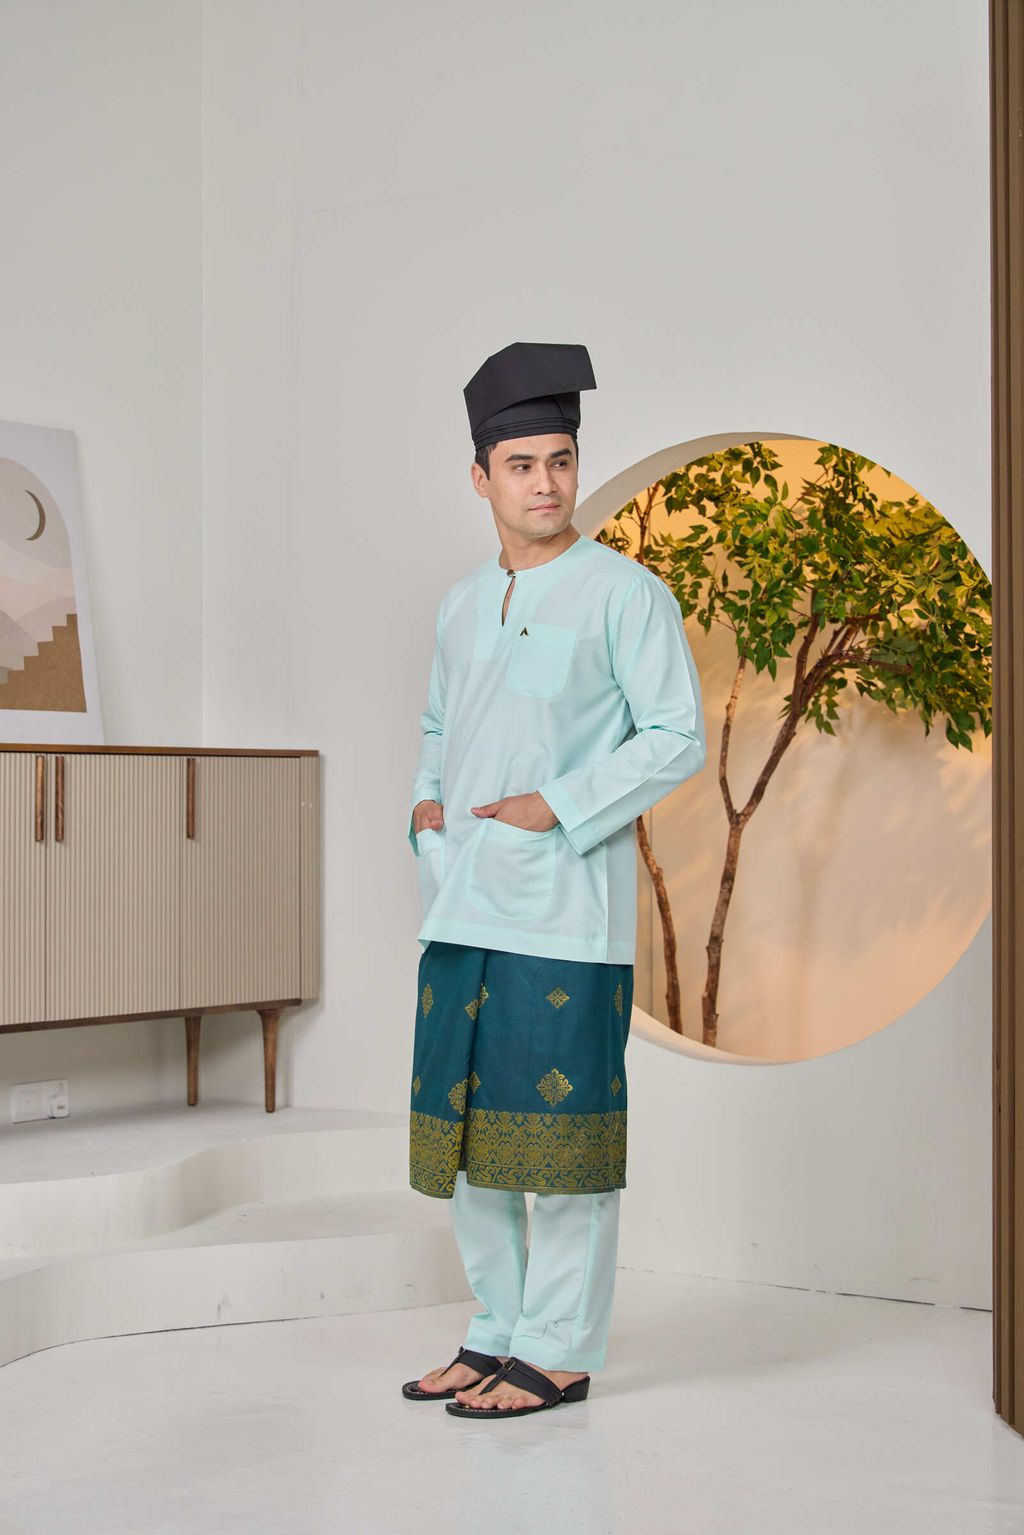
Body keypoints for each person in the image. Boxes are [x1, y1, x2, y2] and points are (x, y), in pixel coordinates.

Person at [401, 341, 706, 1418]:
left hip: (565, 912)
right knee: (469, 1137)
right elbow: (438, 724)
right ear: (480, 476)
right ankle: (494, 1328)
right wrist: (425, 807)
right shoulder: (459, 603)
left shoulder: (625, 594)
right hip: (460, 905)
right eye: (522, 464)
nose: (545, 483)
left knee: (561, 1144)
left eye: (560, 461)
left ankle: (558, 1349)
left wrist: (559, 803)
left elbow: (676, 735)